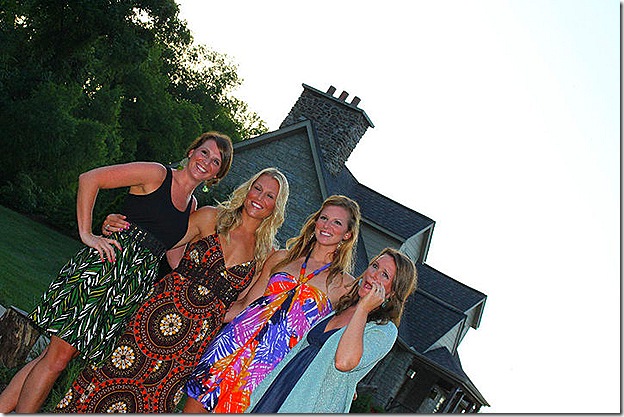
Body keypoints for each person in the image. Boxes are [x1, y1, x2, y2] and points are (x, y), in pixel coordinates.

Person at [0, 131, 233, 414]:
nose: (206, 161)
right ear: (191, 151)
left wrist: (215, 284)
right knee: (58, 359)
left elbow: (174, 257)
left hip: (131, 287)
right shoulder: (156, 174)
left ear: (217, 174)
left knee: (55, 355)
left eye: (216, 161)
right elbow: (90, 178)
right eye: (204, 152)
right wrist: (87, 233)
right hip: (106, 268)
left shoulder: (192, 207)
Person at [54, 167, 290, 413]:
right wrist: (119, 223)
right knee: (114, 374)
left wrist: (212, 315)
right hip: (157, 313)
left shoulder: (265, 253)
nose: (259, 198)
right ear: (247, 189)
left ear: (276, 206)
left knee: (155, 399)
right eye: (257, 188)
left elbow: (245, 304)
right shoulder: (211, 217)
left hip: (194, 340)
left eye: (269, 196)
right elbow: (160, 238)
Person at [183, 195, 361, 413]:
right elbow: (247, 304)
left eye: (337, 222)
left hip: (269, 368)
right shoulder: (282, 258)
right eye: (324, 218)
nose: (327, 226)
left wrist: (349, 380)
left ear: (347, 234)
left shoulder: (346, 286)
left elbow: (340, 338)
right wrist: (199, 312)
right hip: (230, 346)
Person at [247, 247, 418, 413]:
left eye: (384, 275)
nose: (373, 274)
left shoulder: (384, 330)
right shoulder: (342, 307)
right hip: (282, 386)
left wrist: (363, 309)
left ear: (393, 292)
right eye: (375, 266)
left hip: (310, 405)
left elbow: (344, 362)